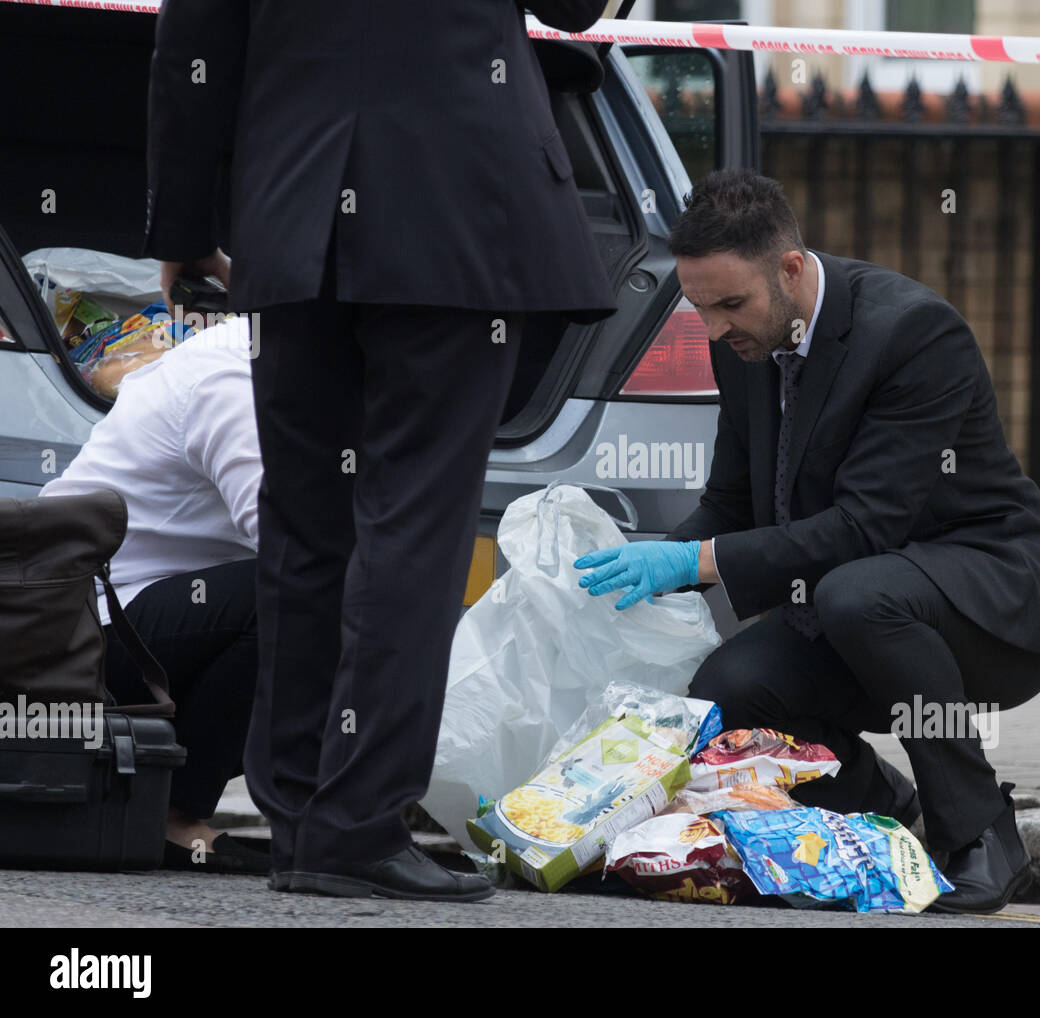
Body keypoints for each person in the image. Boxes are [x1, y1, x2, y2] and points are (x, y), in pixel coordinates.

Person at [143, 1, 618, 900]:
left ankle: (298, 816)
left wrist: (181, 228)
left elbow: (192, 47)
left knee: (305, 529)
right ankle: (353, 823)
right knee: (414, 526)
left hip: (292, 223)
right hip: (457, 215)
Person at [574, 168, 1040, 914]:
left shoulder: (914, 332)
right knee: (730, 690)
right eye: (700, 309)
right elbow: (731, 504)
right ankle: (883, 807)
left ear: (789, 269)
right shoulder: (746, 343)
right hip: (860, 601)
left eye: (732, 304)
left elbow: (867, 526)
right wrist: (639, 566)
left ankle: (982, 830)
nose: (717, 329)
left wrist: (693, 562)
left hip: (992, 603)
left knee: (858, 591)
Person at [40, 316, 268, 875]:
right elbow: (289, 537)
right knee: (292, 595)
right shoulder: (233, 379)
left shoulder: (274, 359)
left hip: (129, 616)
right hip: (80, 632)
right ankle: (173, 812)